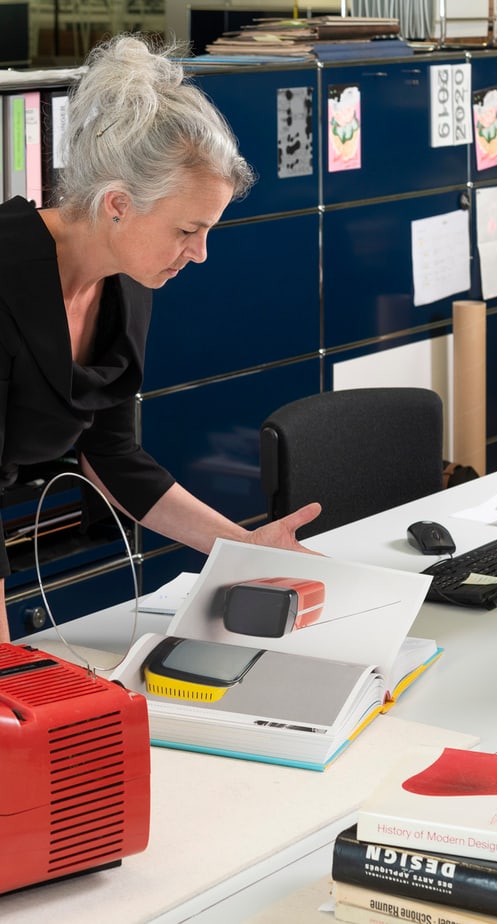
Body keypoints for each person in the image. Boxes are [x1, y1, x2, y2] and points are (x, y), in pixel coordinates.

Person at [0, 35, 320, 643]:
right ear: (118, 204)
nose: (199, 254)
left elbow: (114, 457)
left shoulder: (128, 282)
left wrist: (245, 547)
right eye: (187, 230)